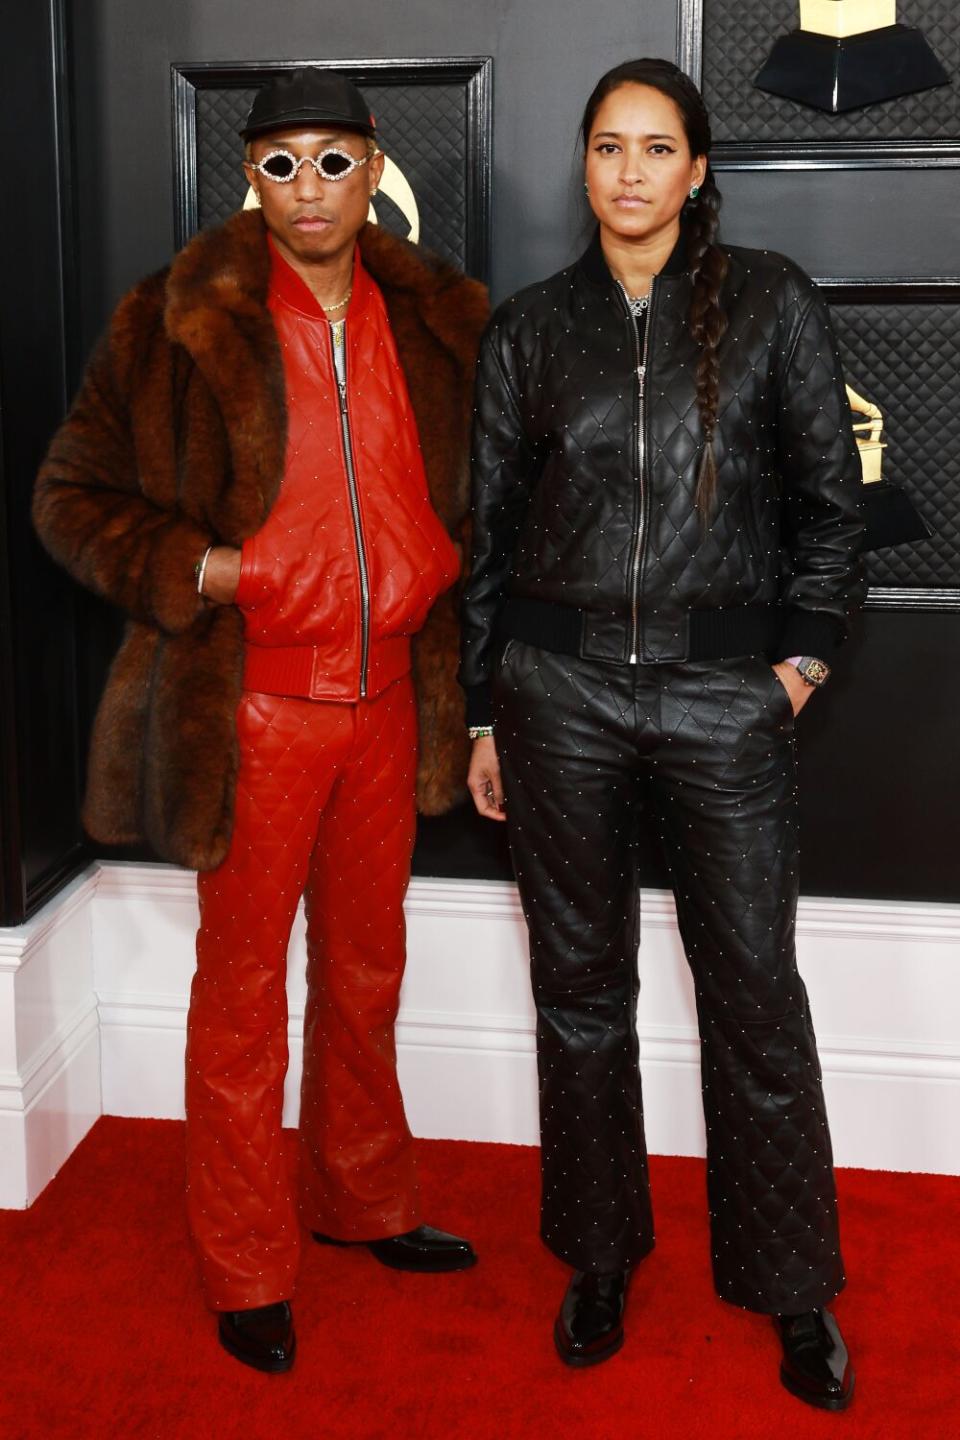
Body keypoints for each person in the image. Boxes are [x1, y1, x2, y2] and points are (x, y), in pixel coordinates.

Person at [34, 67, 488, 1374]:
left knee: (364, 976)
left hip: (392, 699)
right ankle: (244, 1263)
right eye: (280, 163)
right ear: (250, 176)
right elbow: (71, 496)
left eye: (331, 161)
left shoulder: (437, 326)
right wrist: (211, 571)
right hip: (256, 713)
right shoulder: (181, 320)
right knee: (241, 995)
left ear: (373, 167)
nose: (307, 189)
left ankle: (363, 1201)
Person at [460, 58, 863, 1412]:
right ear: (585, 169)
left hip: (721, 699)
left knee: (754, 992)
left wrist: (798, 665)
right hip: (557, 698)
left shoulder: (772, 306)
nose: (628, 173)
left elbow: (830, 509)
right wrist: (483, 707)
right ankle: (598, 1256)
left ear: (697, 172)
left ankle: (792, 1289)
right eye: (607, 148)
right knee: (580, 994)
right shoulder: (530, 331)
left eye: (656, 149)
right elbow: (491, 541)